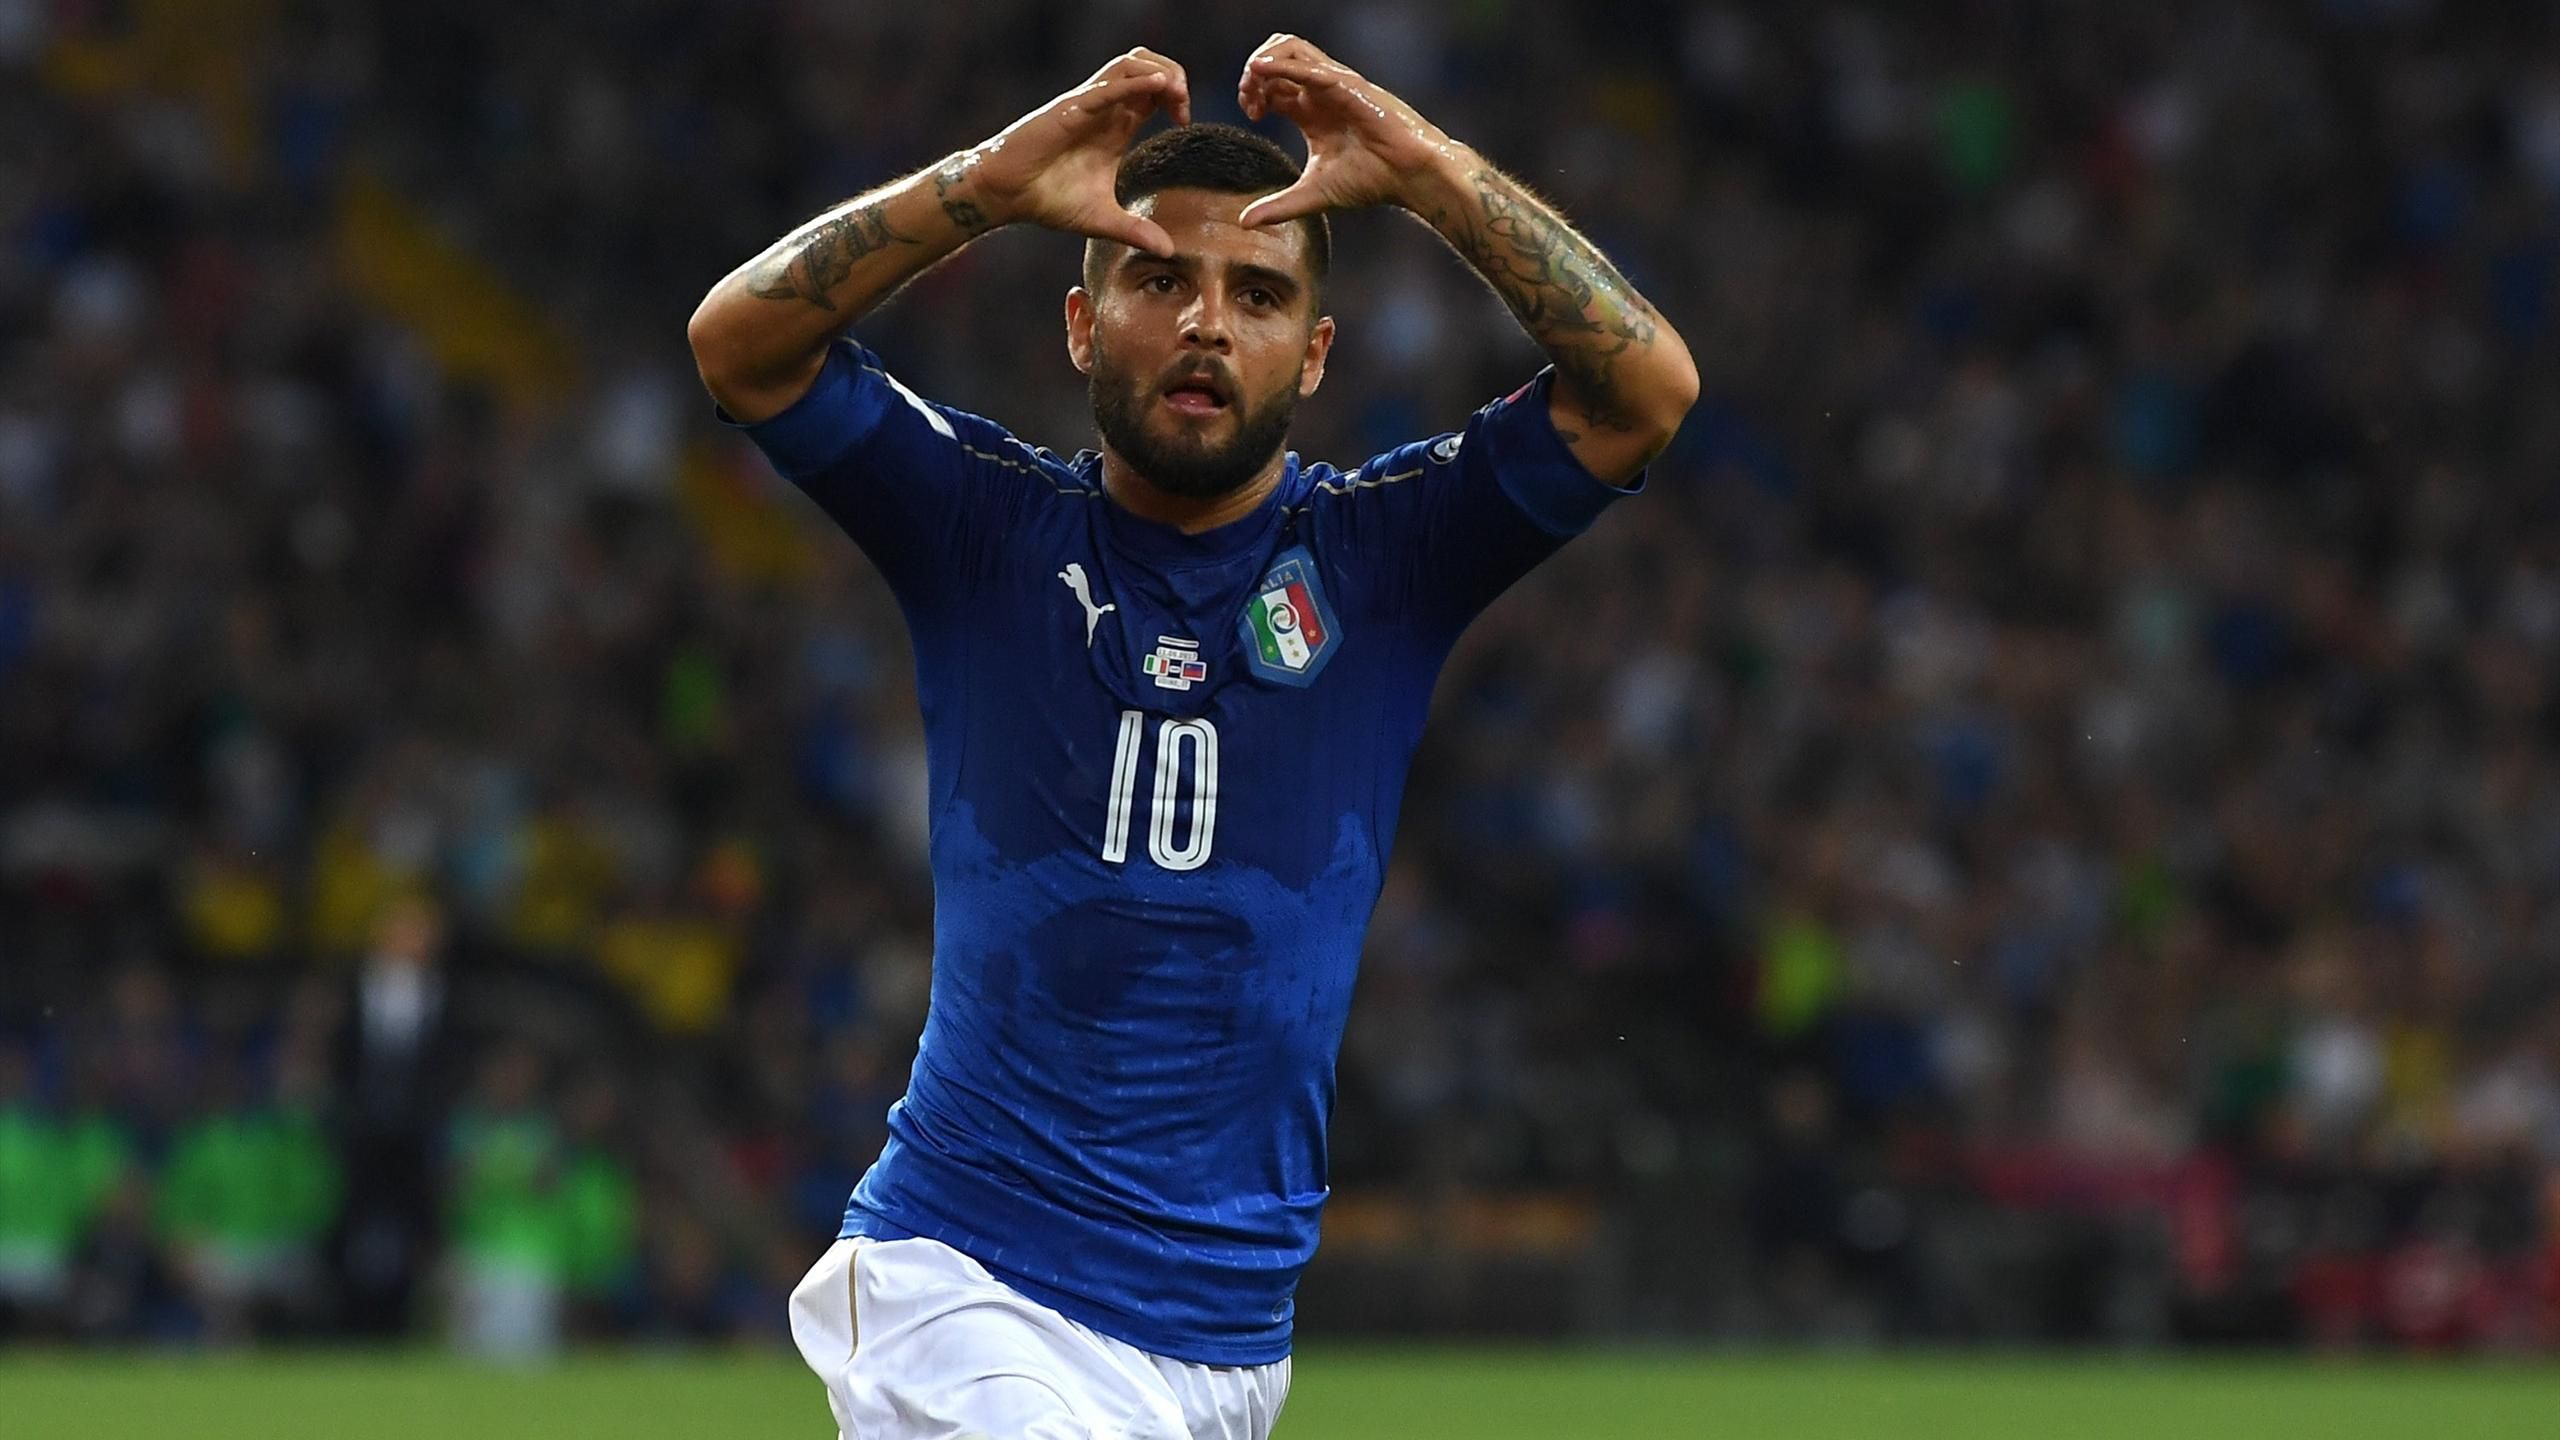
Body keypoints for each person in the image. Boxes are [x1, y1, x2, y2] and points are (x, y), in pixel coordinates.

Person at [688, 34, 1695, 1440]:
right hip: (973, 1285)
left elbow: (1646, 391)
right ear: (1083, 325)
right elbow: (739, 345)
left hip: (1228, 1347)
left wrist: (1429, 173)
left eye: (1258, 293)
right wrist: (983, 186)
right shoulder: (983, 524)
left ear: (1317, 354)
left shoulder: (1383, 559)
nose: (1208, 323)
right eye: (1160, 280)